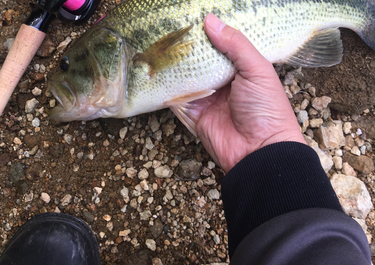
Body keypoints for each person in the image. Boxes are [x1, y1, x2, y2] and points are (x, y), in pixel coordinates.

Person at [0, 15, 371, 265]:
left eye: (67, 66)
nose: (64, 77)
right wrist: (271, 145)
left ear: (111, 52)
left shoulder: (136, 54)